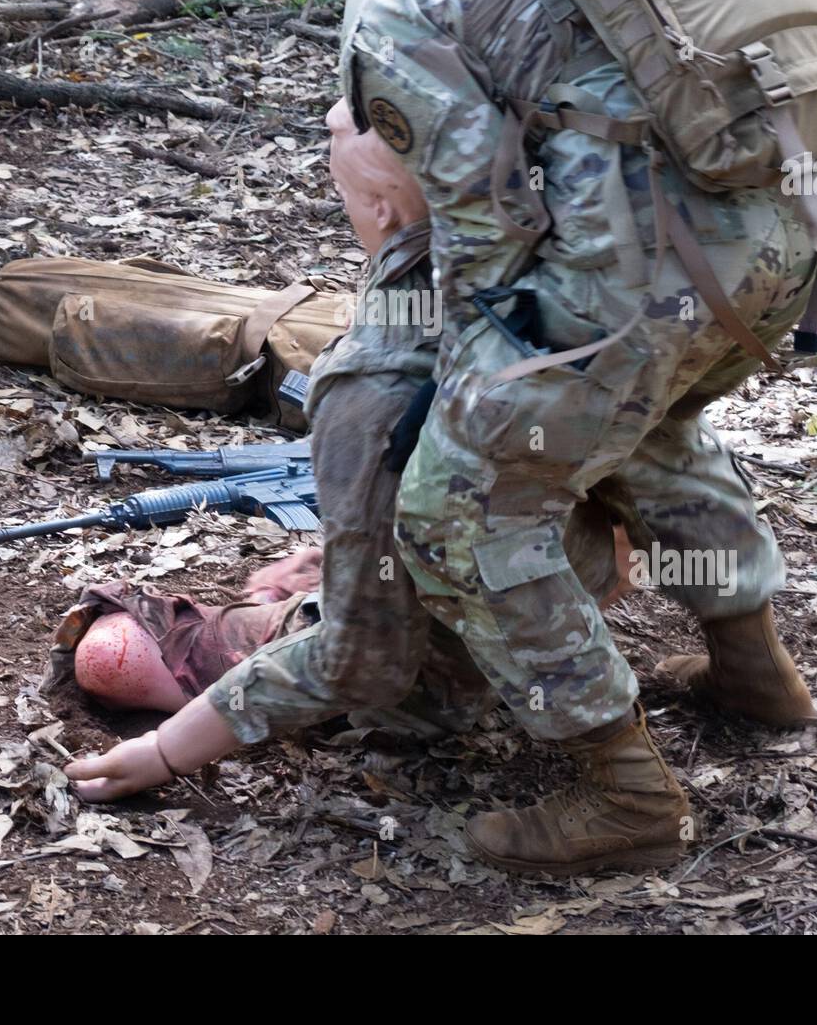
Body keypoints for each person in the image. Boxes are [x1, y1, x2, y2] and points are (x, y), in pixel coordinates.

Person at [242, 0, 817, 877]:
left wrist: (457, 399)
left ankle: (623, 795)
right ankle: (755, 672)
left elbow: (480, 223)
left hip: (648, 279)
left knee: (458, 508)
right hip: (784, 245)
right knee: (648, 425)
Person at [63, 99, 634, 796]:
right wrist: (356, 552)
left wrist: (166, 753)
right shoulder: (584, 293)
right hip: (561, 618)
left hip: (430, 677)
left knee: (109, 648)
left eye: (343, 192)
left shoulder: (373, 380)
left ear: (384, 209)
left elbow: (365, 660)